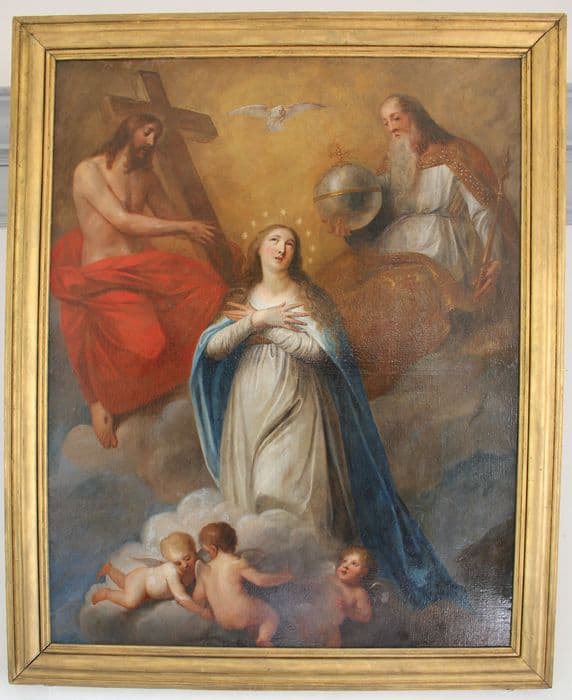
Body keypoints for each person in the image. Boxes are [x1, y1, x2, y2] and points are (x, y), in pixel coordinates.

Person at [191, 224, 467, 609]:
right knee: (252, 492)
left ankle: (309, 588)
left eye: (290, 243)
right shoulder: (240, 298)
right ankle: (263, 587)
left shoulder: (309, 297)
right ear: (258, 249)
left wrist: (270, 327)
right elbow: (214, 349)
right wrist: (256, 320)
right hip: (248, 406)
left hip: (300, 401)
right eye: (274, 240)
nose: (282, 248)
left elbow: (319, 352)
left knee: (289, 487)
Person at [50, 113, 229, 449]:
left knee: (208, 287)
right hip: (104, 275)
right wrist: (184, 228)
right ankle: (103, 401)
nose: (151, 141)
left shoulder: (147, 177)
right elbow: (122, 220)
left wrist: (210, 236)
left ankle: (191, 386)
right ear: (129, 130)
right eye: (147, 132)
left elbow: (171, 217)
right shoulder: (89, 171)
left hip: (141, 268)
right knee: (148, 343)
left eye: (156, 136)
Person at [333, 94, 518, 301]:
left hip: (441, 246)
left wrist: (494, 257)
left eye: (396, 118)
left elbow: (481, 212)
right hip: (397, 242)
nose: (391, 128)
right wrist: (352, 222)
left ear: (416, 117)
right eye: (385, 123)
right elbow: (374, 209)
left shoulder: (452, 155)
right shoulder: (393, 162)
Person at [192, 522, 293, 647]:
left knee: (252, 619)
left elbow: (198, 598)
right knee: (270, 616)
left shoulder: (205, 570)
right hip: (243, 614)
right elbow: (261, 580)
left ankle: (252, 637)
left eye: (205, 550)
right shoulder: (237, 564)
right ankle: (263, 639)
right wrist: (284, 576)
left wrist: (209, 609)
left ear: (212, 549)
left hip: (222, 620)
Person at [91, 531, 212, 619]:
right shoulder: (171, 570)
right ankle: (107, 593)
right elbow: (181, 598)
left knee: (125, 583)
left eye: (187, 558)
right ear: (171, 562)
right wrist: (201, 611)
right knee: (130, 601)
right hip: (141, 580)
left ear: (194, 551)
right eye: (178, 563)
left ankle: (109, 569)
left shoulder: (198, 561)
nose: (185, 565)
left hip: (144, 580)